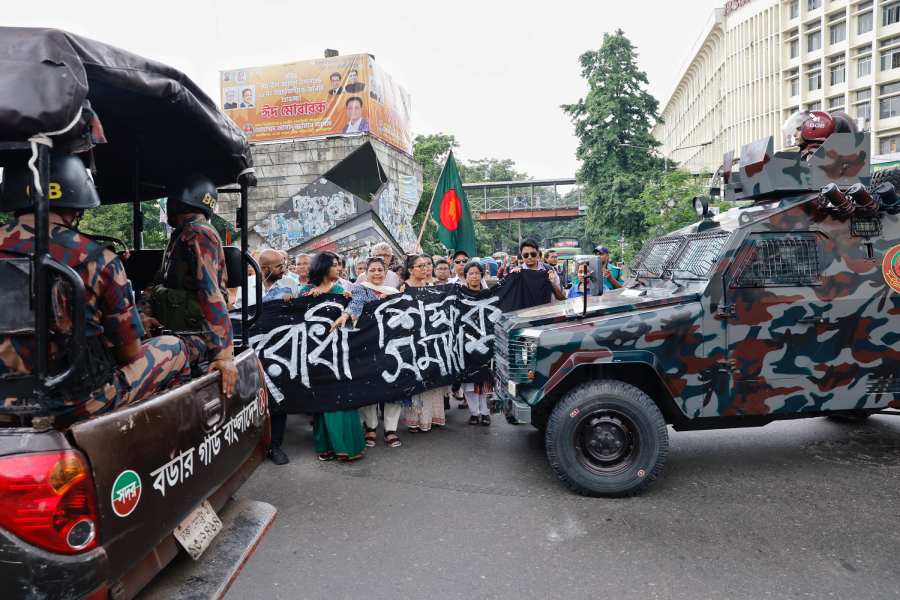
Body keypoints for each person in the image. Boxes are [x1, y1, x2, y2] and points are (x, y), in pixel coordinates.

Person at [0, 153, 191, 423]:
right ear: (76, 202)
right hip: (73, 404)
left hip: (4, 408)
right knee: (174, 348)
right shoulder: (97, 258)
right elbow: (129, 352)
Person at [143, 173, 238, 401]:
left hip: (195, 338)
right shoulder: (181, 235)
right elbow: (156, 284)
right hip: (175, 330)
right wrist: (144, 315)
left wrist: (224, 353)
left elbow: (210, 293)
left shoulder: (199, 233)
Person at [330, 257, 404, 448]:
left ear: (386, 271)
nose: (377, 273)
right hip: (367, 346)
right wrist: (346, 315)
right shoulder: (360, 288)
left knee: (393, 386)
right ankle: (370, 428)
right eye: (373, 270)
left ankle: (391, 430)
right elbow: (356, 304)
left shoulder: (395, 293)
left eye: (381, 270)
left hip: (391, 345)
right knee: (368, 384)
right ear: (366, 272)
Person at [300, 252, 365, 461]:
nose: (339, 268)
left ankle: (347, 446)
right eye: (335, 265)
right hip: (315, 354)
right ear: (323, 267)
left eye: (339, 265)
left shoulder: (344, 289)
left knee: (342, 396)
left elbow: (363, 298)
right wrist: (296, 301)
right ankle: (325, 446)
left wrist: (346, 311)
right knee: (322, 397)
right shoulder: (306, 291)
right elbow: (294, 317)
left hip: (340, 352)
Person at [400, 254, 446, 432]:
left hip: (429, 340)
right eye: (420, 266)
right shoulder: (403, 288)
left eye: (427, 265)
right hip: (411, 340)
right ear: (410, 269)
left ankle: (431, 417)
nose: (425, 269)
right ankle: (415, 419)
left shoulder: (431, 286)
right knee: (415, 378)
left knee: (430, 377)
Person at [460, 261, 493, 426]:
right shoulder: (459, 294)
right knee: (469, 380)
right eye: (471, 273)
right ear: (465, 276)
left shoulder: (489, 294)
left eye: (477, 273)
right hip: (466, 342)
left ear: (482, 275)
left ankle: (485, 412)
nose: (474, 276)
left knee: (485, 379)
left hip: (486, 342)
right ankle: (474, 413)